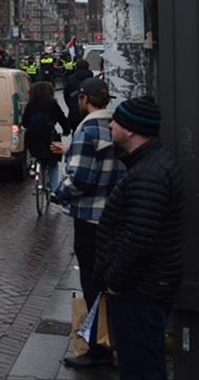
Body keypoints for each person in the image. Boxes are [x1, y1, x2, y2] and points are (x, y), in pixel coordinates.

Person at [95, 96, 182, 380]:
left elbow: (139, 238)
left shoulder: (148, 175)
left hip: (140, 291)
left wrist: (115, 281)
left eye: (116, 121)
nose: (111, 125)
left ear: (130, 129)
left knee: (140, 367)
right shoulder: (149, 166)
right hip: (144, 286)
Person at [52, 77, 123, 369]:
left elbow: (81, 177)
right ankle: (113, 340)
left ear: (84, 99)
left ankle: (97, 349)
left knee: (92, 283)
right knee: (108, 281)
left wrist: (59, 193)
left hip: (89, 217)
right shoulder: (115, 125)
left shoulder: (87, 129)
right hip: (113, 215)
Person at [20, 80, 70, 191]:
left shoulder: (30, 105)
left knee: (35, 154)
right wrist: (66, 130)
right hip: (49, 137)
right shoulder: (53, 104)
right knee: (53, 164)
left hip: (33, 137)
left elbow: (25, 122)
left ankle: (34, 164)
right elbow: (62, 119)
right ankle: (54, 190)